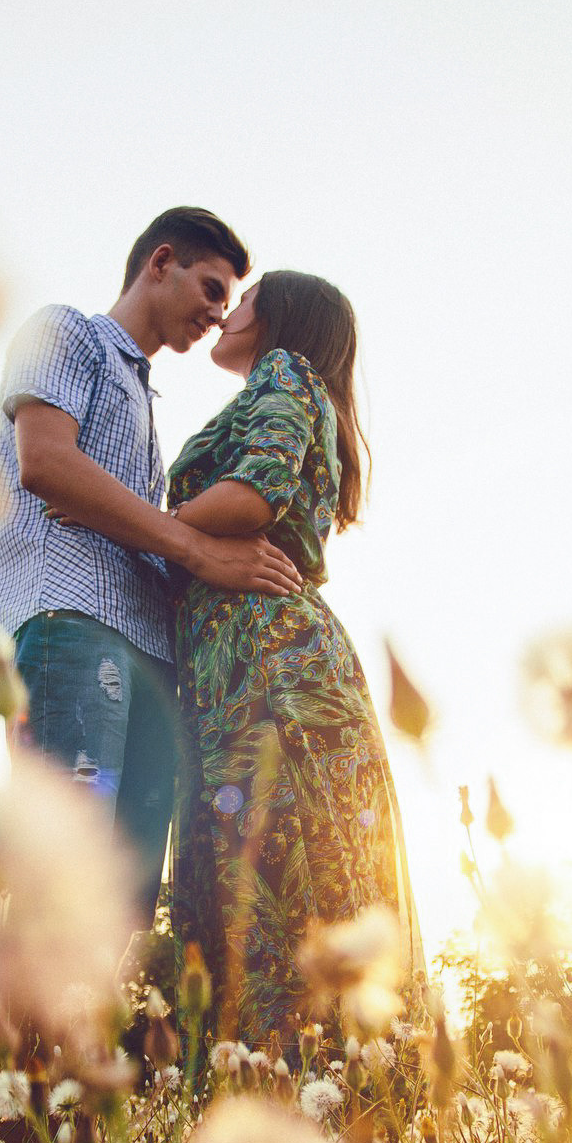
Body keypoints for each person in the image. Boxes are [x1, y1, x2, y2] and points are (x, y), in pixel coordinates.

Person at [0, 207, 305, 928]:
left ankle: (94, 1042)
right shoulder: (65, 331)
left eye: (228, 300)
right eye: (211, 287)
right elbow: (46, 460)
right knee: (63, 881)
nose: (217, 313)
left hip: (152, 658)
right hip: (74, 630)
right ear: (160, 262)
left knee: (128, 904)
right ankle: (32, 1042)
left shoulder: (147, 401)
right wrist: (197, 548)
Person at [164, 271, 421, 1051]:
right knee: (300, 874)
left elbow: (253, 492)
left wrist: (150, 524)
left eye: (240, 302)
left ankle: (294, 1095)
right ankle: (338, 1104)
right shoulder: (303, 391)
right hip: (266, 662)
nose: (224, 315)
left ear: (274, 318)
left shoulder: (285, 373)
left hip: (267, 667)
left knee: (273, 879)